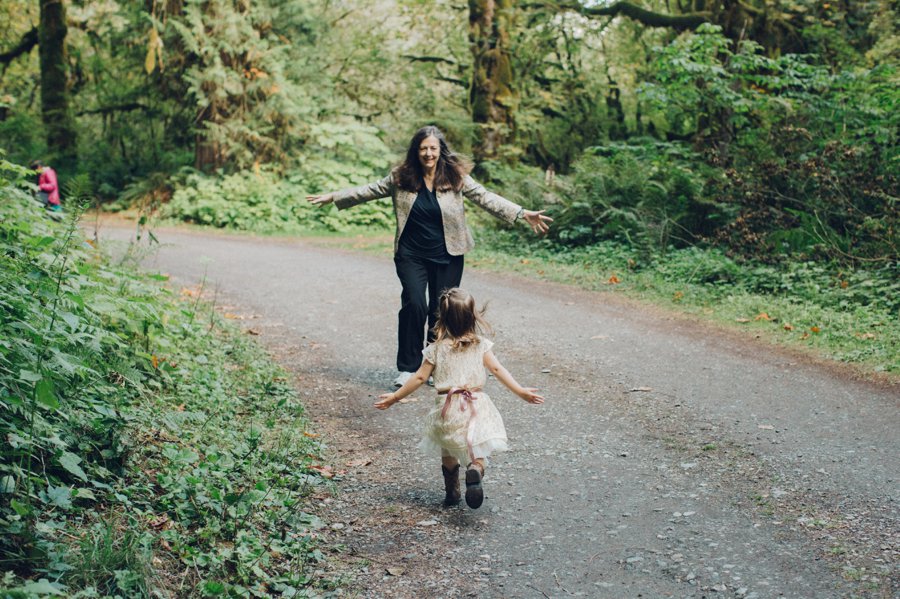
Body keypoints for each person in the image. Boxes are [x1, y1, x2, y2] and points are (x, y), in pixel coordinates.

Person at [307, 125, 552, 388]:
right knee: (414, 304)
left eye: (433, 148)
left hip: (448, 254)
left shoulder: (455, 177)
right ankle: (408, 368)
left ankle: (433, 366)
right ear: (416, 151)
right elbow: (370, 190)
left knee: (440, 311)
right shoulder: (401, 177)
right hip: (410, 253)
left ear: (440, 151)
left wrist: (521, 213)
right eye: (423, 148)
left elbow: (485, 197)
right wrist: (335, 196)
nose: (428, 153)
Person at [374, 287, 544, 509]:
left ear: (442, 319)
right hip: (476, 404)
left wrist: (394, 398)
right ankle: (475, 469)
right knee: (477, 447)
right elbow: (498, 370)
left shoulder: (435, 349)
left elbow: (418, 378)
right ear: (473, 317)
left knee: (448, 449)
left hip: (447, 406)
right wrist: (521, 391)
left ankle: (452, 491)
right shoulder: (481, 345)